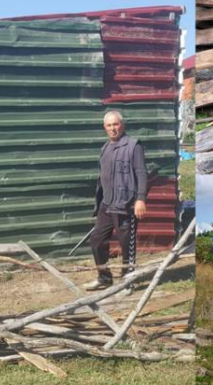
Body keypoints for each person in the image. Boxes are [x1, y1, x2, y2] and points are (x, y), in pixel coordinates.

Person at [84, 111, 147, 293]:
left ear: (122, 125)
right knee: (96, 240)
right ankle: (104, 277)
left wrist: (140, 199)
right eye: (109, 125)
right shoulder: (105, 148)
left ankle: (128, 281)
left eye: (116, 124)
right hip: (107, 203)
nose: (113, 128)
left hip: (126, 204)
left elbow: (141, 173)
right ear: (105, 128)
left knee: (127, 244)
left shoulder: (134, 146)